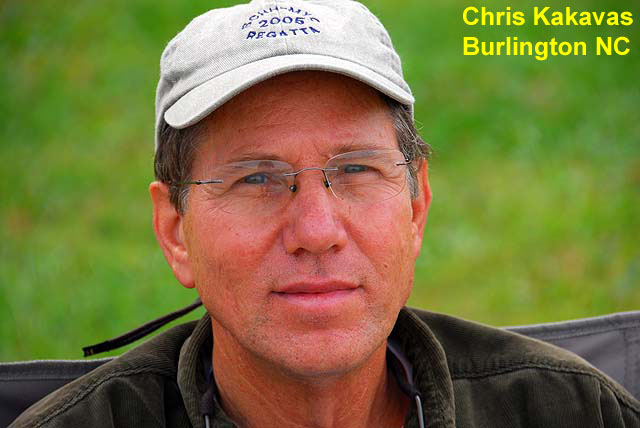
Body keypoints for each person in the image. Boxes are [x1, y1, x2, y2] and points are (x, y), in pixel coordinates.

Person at [11, 0, 640, 427]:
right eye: (257, 179)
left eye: (356, 170)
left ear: (415, 206)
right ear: (175, 232)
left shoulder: (572, 410)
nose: (316, 232)